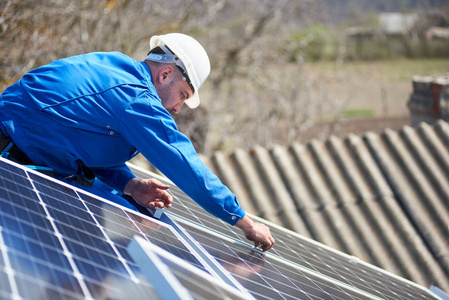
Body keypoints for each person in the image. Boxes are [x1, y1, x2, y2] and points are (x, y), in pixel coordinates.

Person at [0, 33, 275, 251]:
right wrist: (243, 221)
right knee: (90, 253)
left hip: (18, 148)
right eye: (183, 93)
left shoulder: (115, 67)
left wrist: (130, 185)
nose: (179, 108)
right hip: (10, 155)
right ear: (166, 74)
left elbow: (76, 138)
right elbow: (185, 165)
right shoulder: (137, 98)